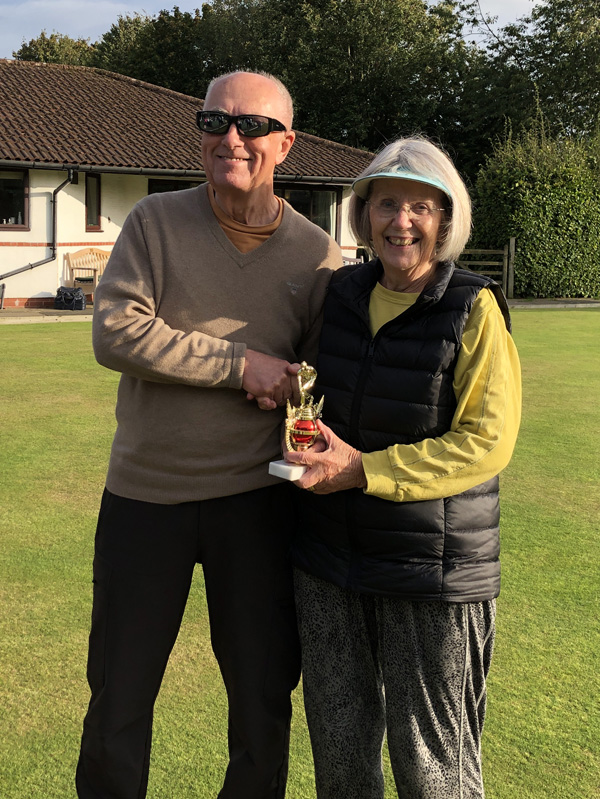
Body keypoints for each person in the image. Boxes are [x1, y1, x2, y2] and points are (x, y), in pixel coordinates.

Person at [76, 70, 342, 799]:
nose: (232, 138)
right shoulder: (153, 223)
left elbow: (320, 378)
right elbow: (118, 334)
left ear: (285, 143)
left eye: (253, 126)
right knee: (118, 699)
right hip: (144, 496)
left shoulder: (318, 256)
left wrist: (299, 400)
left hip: (258, 504)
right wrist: (241, 365)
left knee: (261, 700)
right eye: (215, 121)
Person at [284, 136, 522, 799]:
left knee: (435, 771)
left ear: (445, 220)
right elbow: (307, 389)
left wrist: (365, 469)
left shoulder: (473, 307)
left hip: (433, 571)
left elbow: (487, 441)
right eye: (387, 203)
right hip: (329, 561)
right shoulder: (338, 294)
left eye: (421, 206)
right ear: (364, 214)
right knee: (340, 759)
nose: (402, 221)